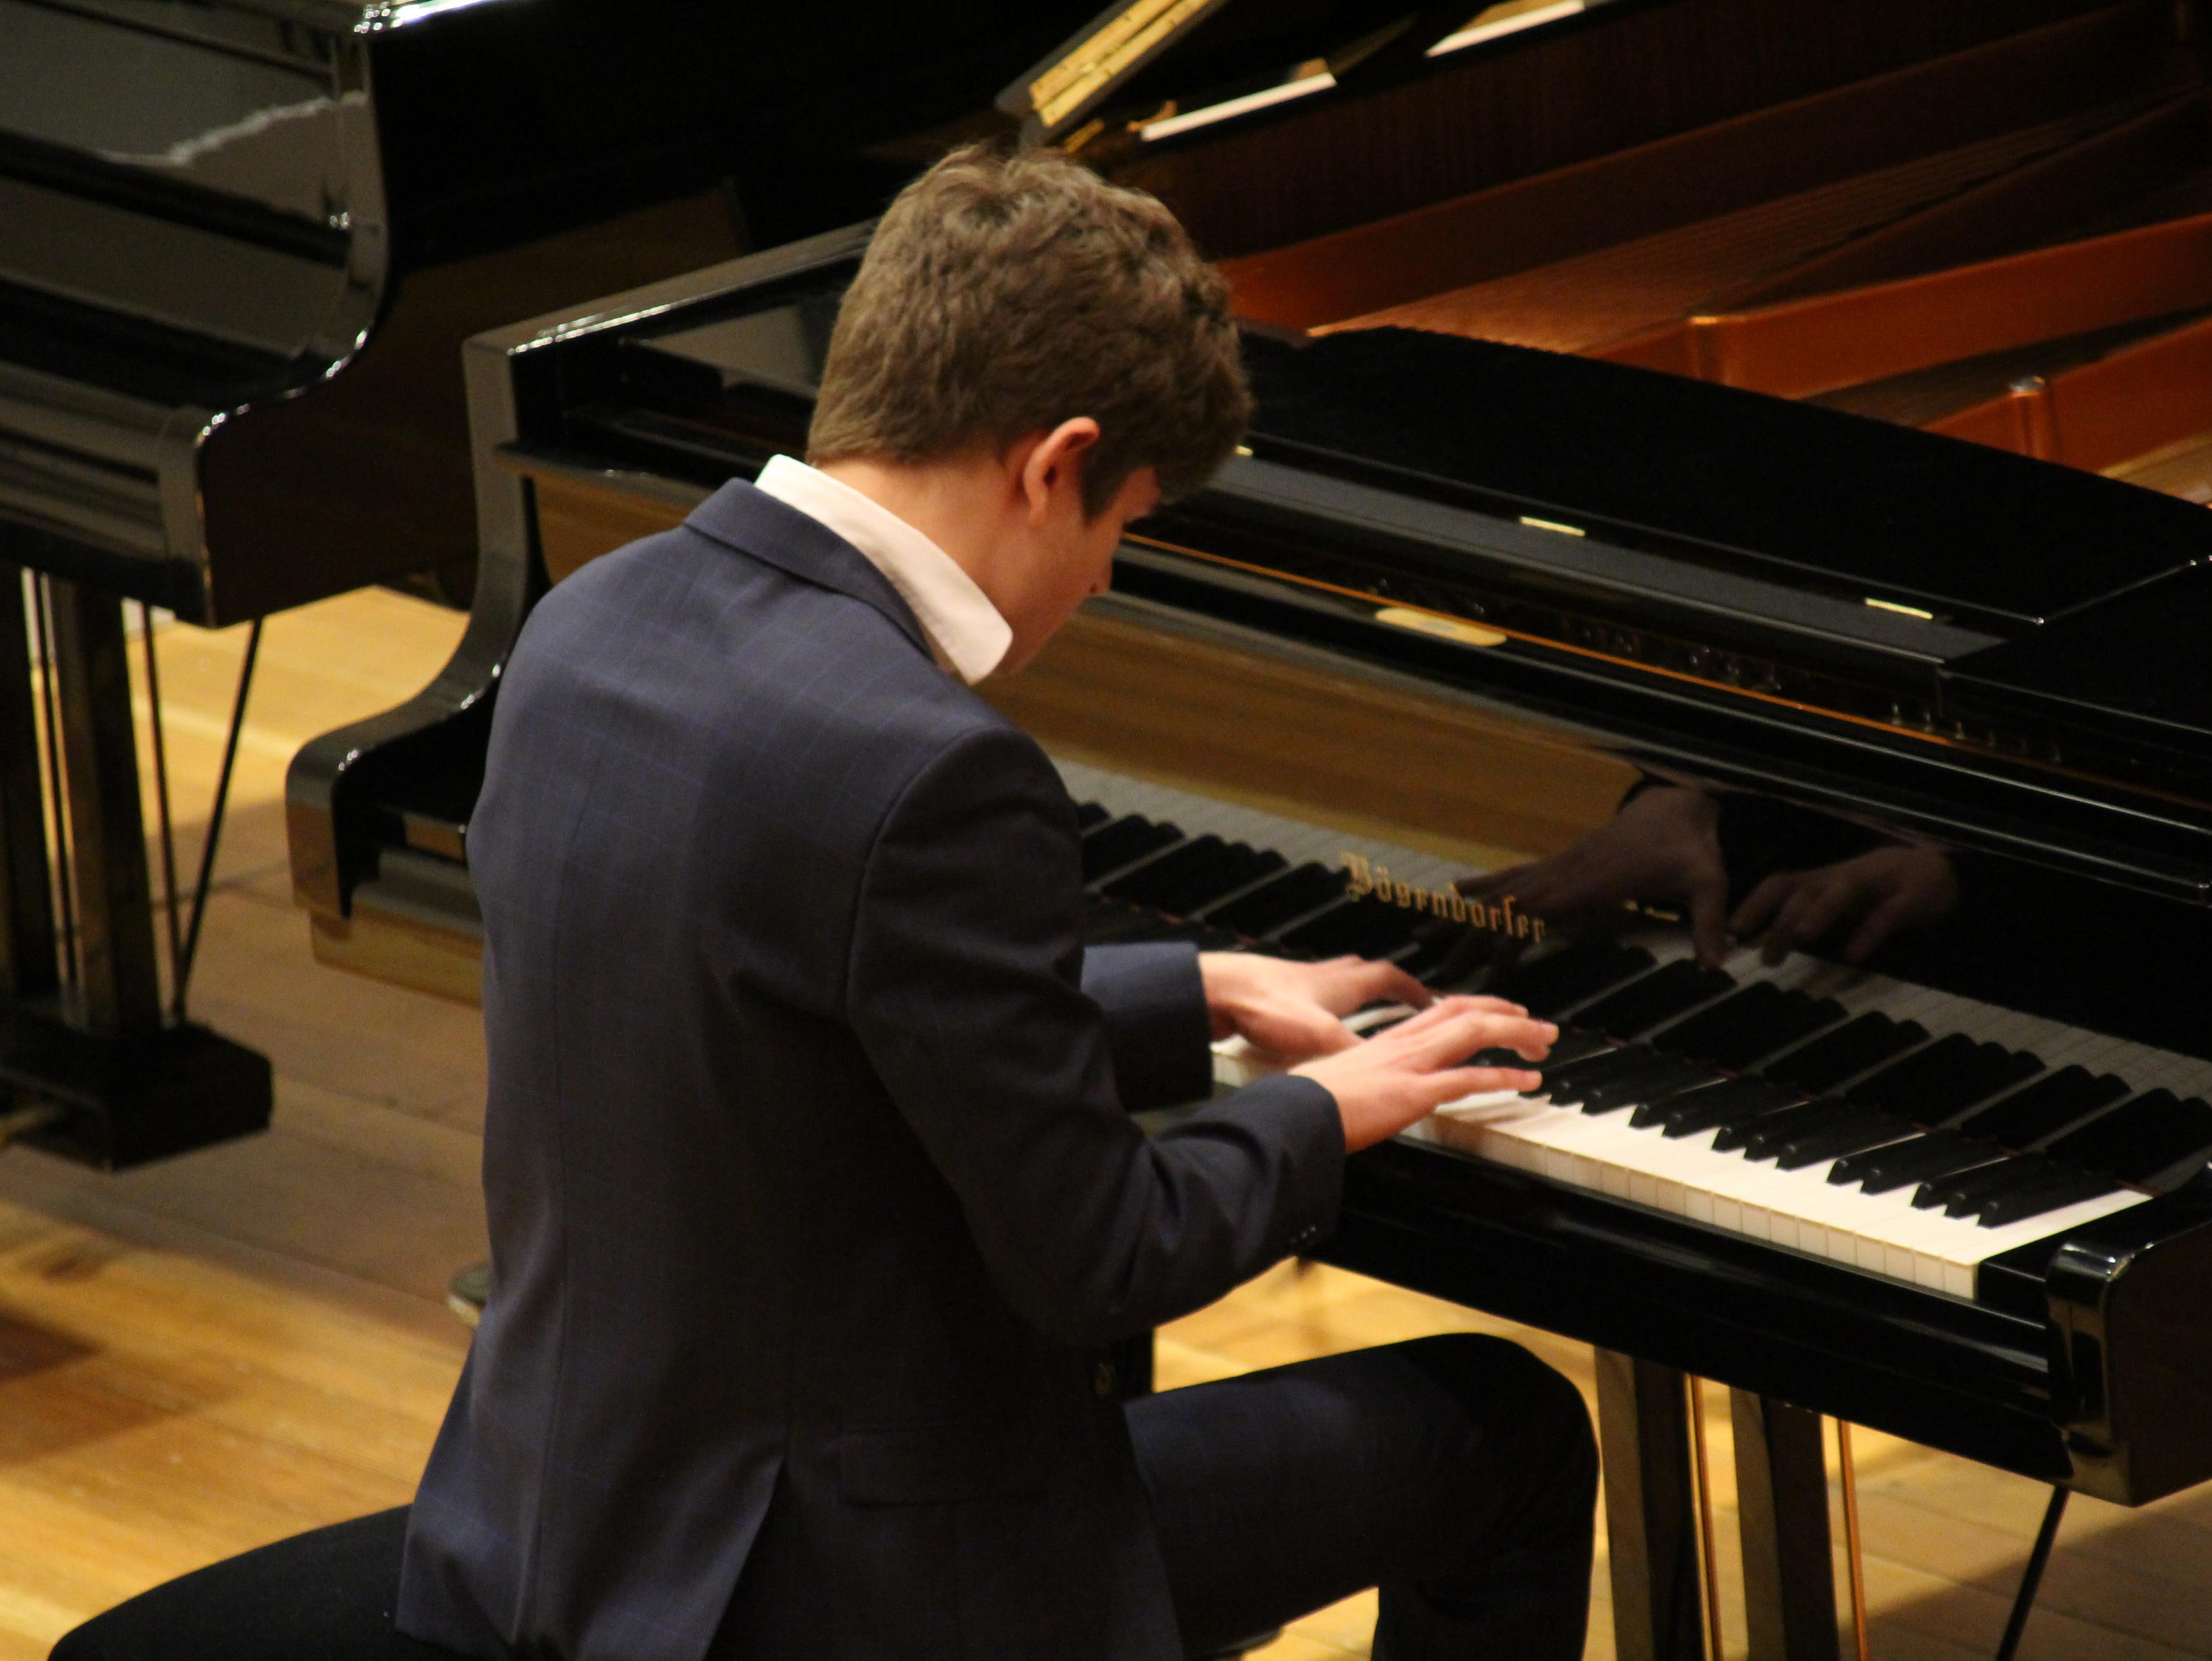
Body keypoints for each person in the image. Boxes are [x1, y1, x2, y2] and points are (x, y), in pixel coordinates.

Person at [394, 144, 1596, 1661]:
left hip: (559, 1535)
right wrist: (1325, 1110)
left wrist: (1197, 989)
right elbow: (1104, 1257)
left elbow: (792, 1022)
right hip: (847, 1602)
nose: (1102, 580)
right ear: (1050, 465)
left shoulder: (590, 622)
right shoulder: (932, 768)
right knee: (1498, 1431)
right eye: (1121, 523)